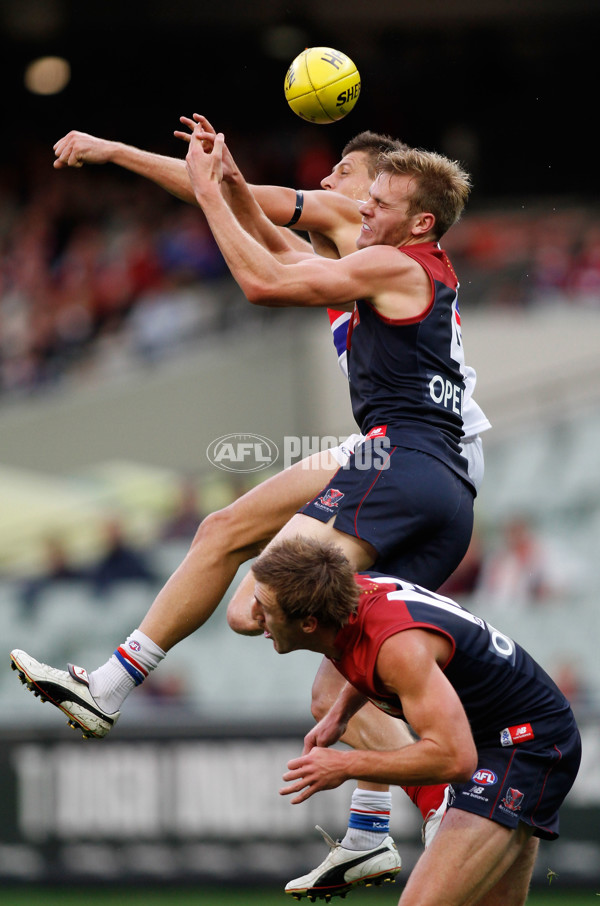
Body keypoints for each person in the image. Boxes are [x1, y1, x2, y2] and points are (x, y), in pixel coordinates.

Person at [10, 127, 485, 894]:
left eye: (366, 190)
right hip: (436, 474)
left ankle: (112, 687)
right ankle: (386, 827)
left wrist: (207, 188)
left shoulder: (380, 257)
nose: (349, 195)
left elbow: (262, 273)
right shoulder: (367, 256)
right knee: (337, 665)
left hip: (402, 456)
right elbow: (258, 229)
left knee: (254, 602)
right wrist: (196, 172)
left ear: (413, 215)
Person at [249, 535, 581, 905]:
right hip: (496, 732)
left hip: (523, 744)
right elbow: (364, 651)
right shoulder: (345, 597)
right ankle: (371, 836)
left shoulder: (397, 649)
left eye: (264, 606)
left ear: (309, 623)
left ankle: (406, 819)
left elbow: (455, 758)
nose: (253, 614)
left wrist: (343, 765)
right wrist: (340, 715)